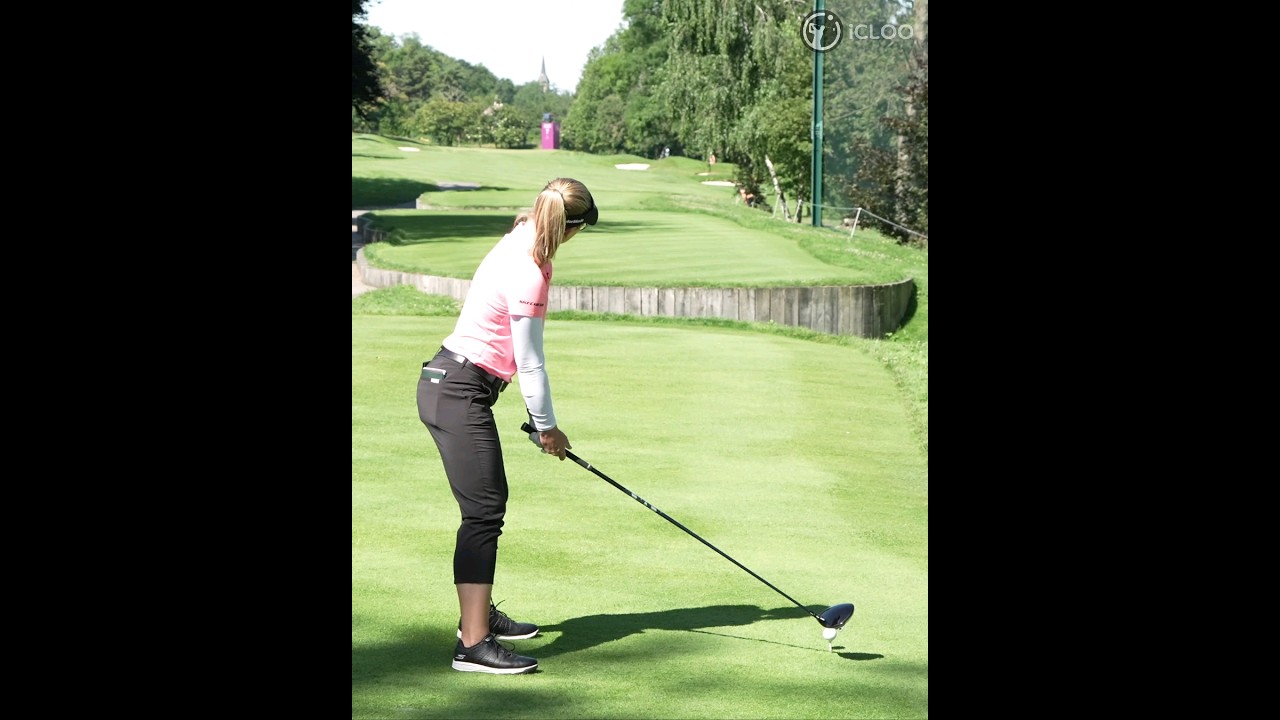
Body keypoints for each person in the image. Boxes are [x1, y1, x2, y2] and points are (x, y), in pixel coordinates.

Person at [417, 177, 598, 675]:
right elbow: (530, 362)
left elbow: (528, 224)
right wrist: (548, 428)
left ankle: (478, 616)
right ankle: (473, 644)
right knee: (484, 511)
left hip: (452, 382)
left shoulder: (520, 235)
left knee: (484, 507)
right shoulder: (529, 270)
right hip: (458, 389)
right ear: (573, 228)